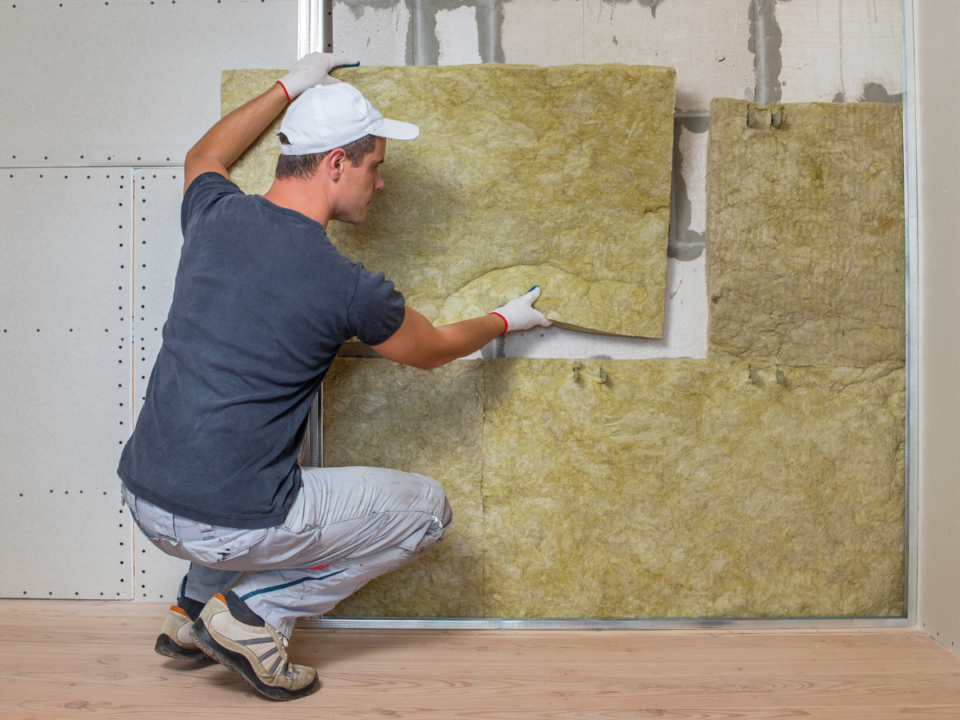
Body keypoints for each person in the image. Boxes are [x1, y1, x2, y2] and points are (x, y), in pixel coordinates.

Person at [116, 52, 551, 701]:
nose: (379, 185)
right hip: (222, 520)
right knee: (425, 512)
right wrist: (504, 321)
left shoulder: (214, 217)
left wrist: (289, 85)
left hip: (144, 498)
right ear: (335, 164)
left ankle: (190, 611)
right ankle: (250, 617)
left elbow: (202, 156)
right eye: (375, 168)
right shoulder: (347, 286)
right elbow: (431, 350)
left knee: (239, 461)